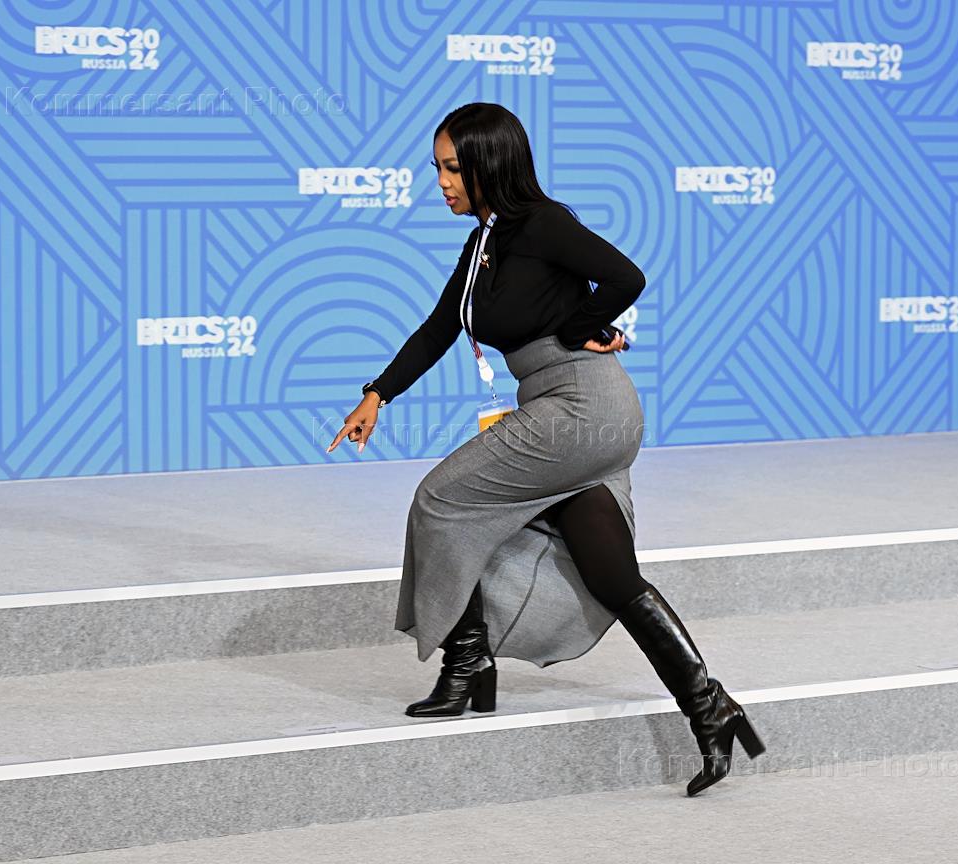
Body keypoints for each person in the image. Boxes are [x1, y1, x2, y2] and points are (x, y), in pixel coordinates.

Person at [326, 102, 764, 796]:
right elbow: (440, 328)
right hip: (569, 408)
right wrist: (377, 394)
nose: (440, 183)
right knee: (608, 569)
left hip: (581, 406)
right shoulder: (483, 246)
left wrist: (578, 327)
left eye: (452, 168)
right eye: (437, 168)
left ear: (489, 164)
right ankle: (711, 708)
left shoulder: (542, 224)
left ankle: (467, 664)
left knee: (440, 500)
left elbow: (625, 277)